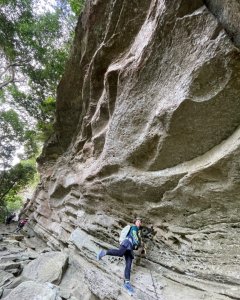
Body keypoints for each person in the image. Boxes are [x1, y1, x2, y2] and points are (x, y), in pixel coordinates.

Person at [97, 218, 142, 295]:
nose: (139, 223)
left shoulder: (138, 233)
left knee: (128, 264)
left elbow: (136, 246)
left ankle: (127, 283)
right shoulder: (134, 228)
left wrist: (139, 245)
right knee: (120, 253)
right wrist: (139, 242)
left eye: (140, 222)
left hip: (130, 248)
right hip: (127, 242)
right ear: (135, 222)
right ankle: (104, 252)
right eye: (138, 221)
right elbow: (134, 236)